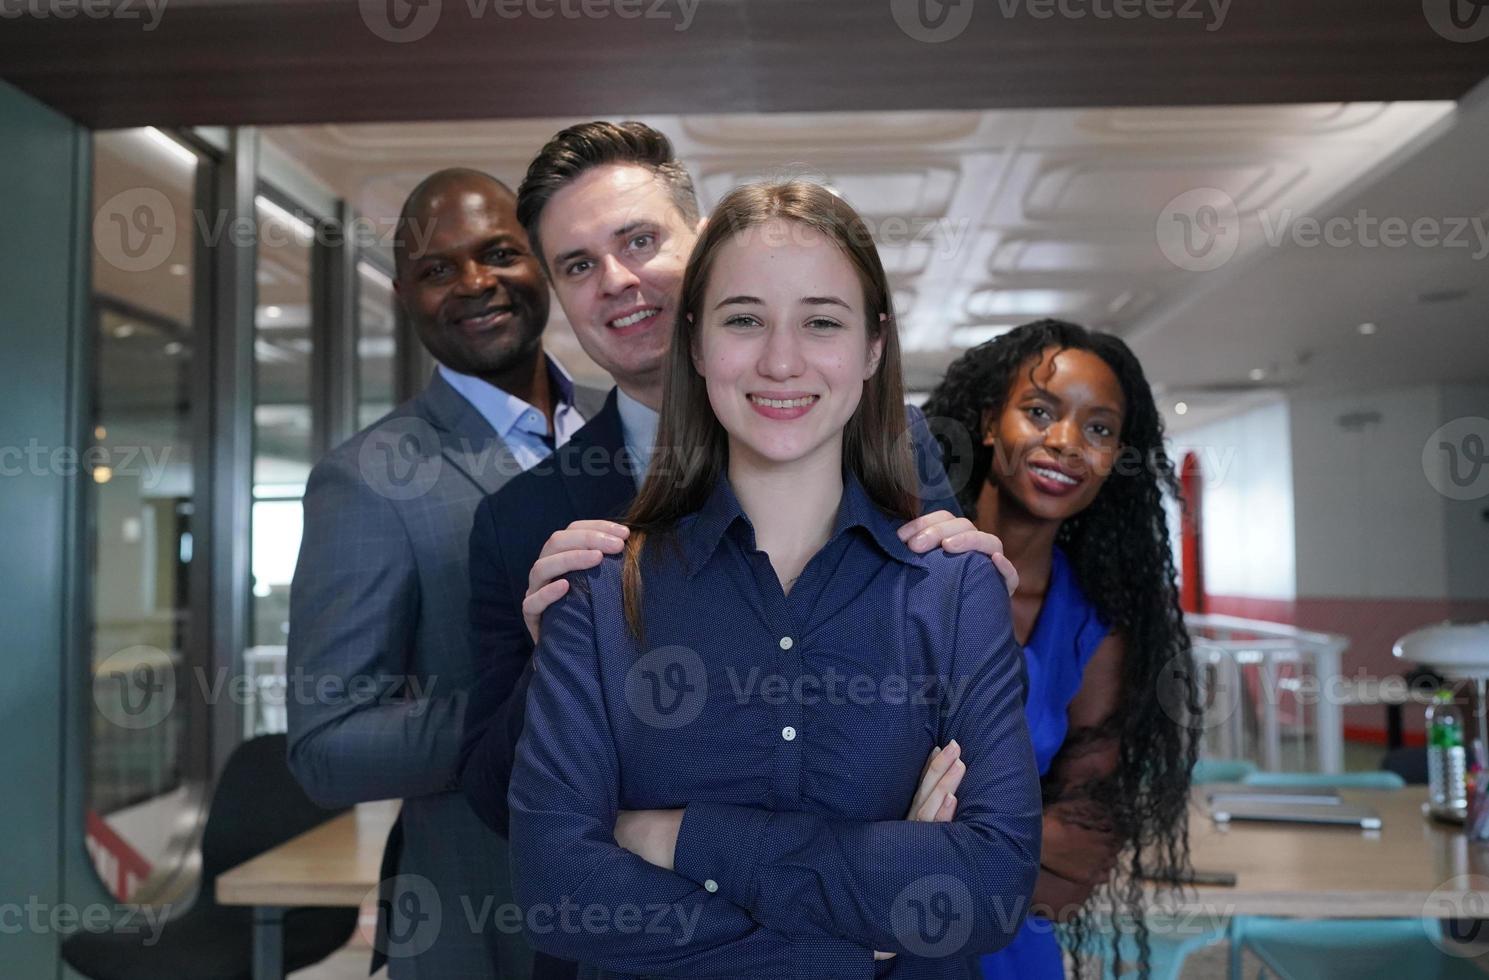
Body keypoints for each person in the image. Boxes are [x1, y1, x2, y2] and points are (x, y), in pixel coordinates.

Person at [507, 179, 1041, 977]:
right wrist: (860, 927)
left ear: (871, 348)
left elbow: (991, 888)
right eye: (745, 320)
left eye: (821, 321)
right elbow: (559, 890)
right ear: (694, 342)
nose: (782, 360)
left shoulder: (955, 589)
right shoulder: (596, 590)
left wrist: (677, 837)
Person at [458, 121, 1016, 844]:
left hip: (878, 939)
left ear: (700, 243)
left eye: (638, 241)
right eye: (576, 265)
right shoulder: (519, 519)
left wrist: (973, 614)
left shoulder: (889, 442)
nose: (617, 281)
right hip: (642, 941)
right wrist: (559, 660)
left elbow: (965, 754)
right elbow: (492, 799)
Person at [286, 168, 604, 978]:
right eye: (437, 270)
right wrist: (537, 707)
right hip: (490, 915)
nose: (474, 284)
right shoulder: (367, 478)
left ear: (540, 260)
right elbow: (327, 746)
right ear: (403, 294)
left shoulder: (640, 423)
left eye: (499, 253)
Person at [921, 319, 1198, 978]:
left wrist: (925, 837)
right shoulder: (894, 569)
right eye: (1039, 411)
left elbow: (1079, 855)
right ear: (989, 422)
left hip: (1005, 949)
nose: (1066, 443)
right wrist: (1000, 840)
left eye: (1098, 429)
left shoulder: (1094, 624)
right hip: (858, 937)